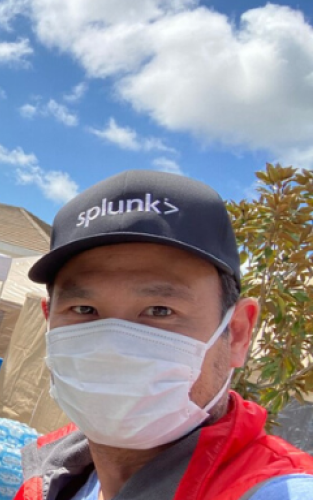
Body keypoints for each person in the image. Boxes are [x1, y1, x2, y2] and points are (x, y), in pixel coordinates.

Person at [16, 170, 313, 500]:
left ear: (238, 334)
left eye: (160, 310)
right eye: (84, 310)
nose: (114, 349)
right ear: (48, 321)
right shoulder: (54, 477)